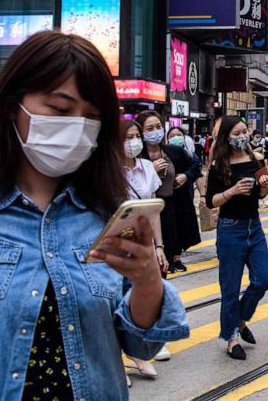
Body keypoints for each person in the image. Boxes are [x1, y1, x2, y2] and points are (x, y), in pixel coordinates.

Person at [0, 31, 189, 399]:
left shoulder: (105, 215)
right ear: (14, 104)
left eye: (91, 117)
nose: (76, 126)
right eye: (59, 109)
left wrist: (147, 281)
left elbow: (141, 347)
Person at [204, 116, 268, 359]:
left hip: (254, 227)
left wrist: (264, 184)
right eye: (236, 133)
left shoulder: (256, 158)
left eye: (244, 131)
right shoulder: (219, 164)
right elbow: (210, 200)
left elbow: (262, 194)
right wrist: (232, 191)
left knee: (263, 279)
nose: (242, 136)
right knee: (230, 287)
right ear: (226, 137)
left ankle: (241, 319)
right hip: (230, 228)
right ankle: (231, 337)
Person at [120, 119, 170, 379]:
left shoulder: (148, 168)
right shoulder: (109, 171)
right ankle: (120, 360)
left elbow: (153, 212)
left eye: (135, 135)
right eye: (127, 137)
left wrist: (159, 246)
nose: (134, 141)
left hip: (143, 245)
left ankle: (139, 352)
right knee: (116, 301)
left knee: (141, 298)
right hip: (115, 247)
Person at [136, 112, 202, 274]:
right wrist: (152, 170)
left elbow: (195, 166)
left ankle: (172, 261)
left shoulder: (173, 151)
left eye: (158, 127)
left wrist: (185, 176)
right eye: (150, 128)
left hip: (171, 205)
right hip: (145, 210)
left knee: (170, 242)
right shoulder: (136, 155)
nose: (155, 131)